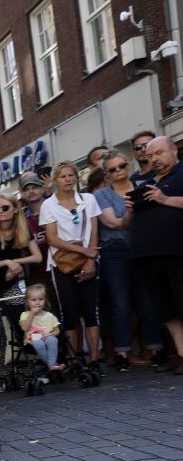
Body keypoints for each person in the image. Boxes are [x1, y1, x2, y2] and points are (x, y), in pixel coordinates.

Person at [95, 150, 165, 371]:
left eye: (122, 166)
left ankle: (157, 350)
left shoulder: (142, 188)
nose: (119, 171)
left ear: (128, 165)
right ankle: (122, 352)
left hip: (141, 249)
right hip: (114, 251)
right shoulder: (102, 195)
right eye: (113, 169)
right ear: (106, 174)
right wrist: (130, 213)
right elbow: (114, 224)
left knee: (147, 301)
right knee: (121, 303)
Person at [40, 162, 102, 370]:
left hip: (88, 262)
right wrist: (83, 251)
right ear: (55, 180)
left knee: (90, 311)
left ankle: (94, 359)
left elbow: (94, 231)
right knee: (70, 312)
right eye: (62, 176)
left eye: (70, 175)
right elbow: (52, 238)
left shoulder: (88, 200)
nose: (67, 179)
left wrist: (90, 259)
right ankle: (75, 360)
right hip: (62, 264)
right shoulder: (49, 205)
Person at [131, 136, 183, 372]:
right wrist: (129, 209)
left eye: (159, 153)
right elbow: (125, 222)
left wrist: (164, 199)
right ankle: (181, 354)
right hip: (148, 255)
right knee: (165, 309)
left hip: (176, 251)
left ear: (174, 150)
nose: (154, 159)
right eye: (150, 155)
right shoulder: (145, 183)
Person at [0, 193, 43, 382]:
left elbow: (37, 257)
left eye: (5, 208)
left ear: (15, 208)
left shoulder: (21, 229)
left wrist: (15, 262)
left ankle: (25, 366)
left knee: (21, 321)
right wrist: (7, 262)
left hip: (11, 283)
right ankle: (4, 372)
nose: (0, 212)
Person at [20, 284, 64, 375]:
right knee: (38, 343)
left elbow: (57, 331)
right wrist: (32, 314)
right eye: (33, 300)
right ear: (28, 302)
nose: (37, 302)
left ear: (45, 300)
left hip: (46, 335)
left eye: (40, 299)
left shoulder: (49, 315)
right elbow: (25, 328)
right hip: (31, 337)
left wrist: (49, 335)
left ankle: (51, 365)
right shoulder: (25, 314)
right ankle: (52, 365)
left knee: (52, 339)